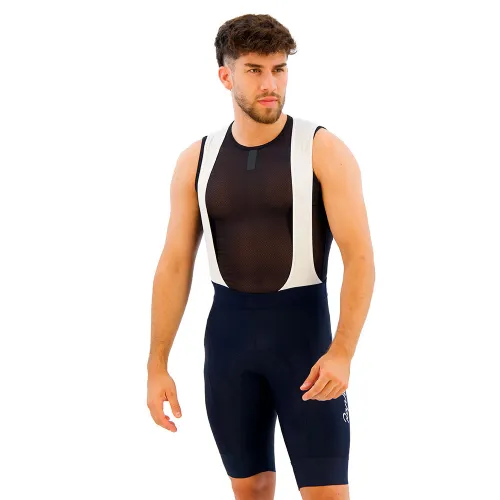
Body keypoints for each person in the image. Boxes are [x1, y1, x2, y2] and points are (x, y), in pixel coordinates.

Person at [147, 13, 375, 500]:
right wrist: (156, 364)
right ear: (226, 76)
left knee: (327, 494)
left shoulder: (322, 150)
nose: (270, 84)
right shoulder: (196, 160)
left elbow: (360, 258)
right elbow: (174, 265)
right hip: (228, 351)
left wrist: (342, 351)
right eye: (254, 70)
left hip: (307, 352)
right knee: (250, 489)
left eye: (279, 69)